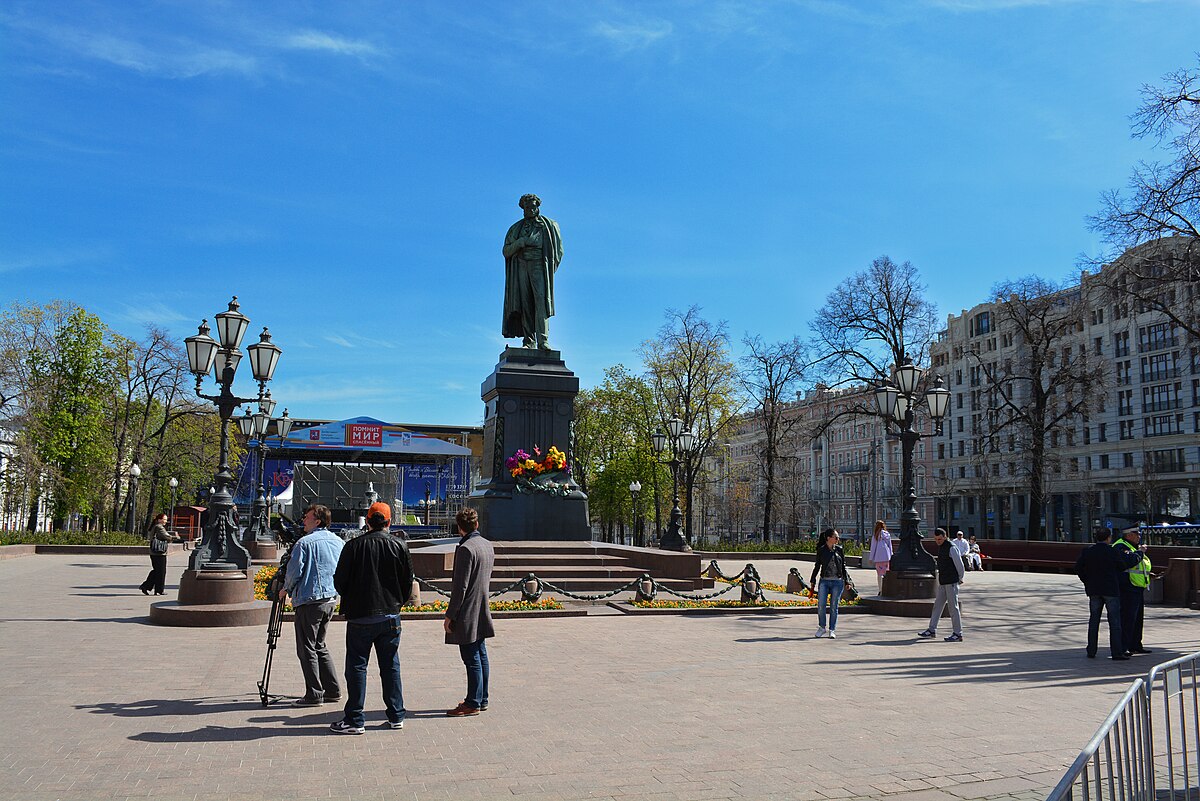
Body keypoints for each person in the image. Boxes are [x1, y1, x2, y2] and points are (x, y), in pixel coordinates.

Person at [330, 501, 413, 734]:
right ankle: (396, 715)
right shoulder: (399, 545)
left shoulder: (353, 546)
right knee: (390, 666)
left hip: (360, 616)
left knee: (357, 667)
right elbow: (408, 582)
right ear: (389, 522)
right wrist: (397, 602)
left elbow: (339, 582)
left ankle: (355, 719)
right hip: (390, 615)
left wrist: (353, 597)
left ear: (367, 521)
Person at [282, 504, 345, 706]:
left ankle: (314, 694)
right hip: (330, 599)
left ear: (318, 520)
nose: (303, 520)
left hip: (310, 600)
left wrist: (286, 589)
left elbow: (294, 572)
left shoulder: (305, 543)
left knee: (307, 648)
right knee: (320, 645)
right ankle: (333, 690)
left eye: (307, 517)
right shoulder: (338, 542)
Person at [443, 507, 496, 717]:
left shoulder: (466, 549)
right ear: (476, 525)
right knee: (481, 654)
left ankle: (473, 702)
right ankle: (482, 698)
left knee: (471, 657)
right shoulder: (486, 545)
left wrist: (450, 615)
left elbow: (460, 587)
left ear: (459, 528)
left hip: (467, 610)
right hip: (481, 606)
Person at [502, 193, 563, 350]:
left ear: (538, 207)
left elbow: (558, 252)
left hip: (539, 266)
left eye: (532, 207)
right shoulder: (516, 228)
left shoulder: (549, 225)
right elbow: (506, 251)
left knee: (541, 302)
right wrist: (520, 243)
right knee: (525, 303)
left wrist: (549, 269)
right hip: (521, 265)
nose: (529, 210)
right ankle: (529, 341)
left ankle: (543, 341)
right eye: (526, 207)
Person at [1074, 529, 1142, 660]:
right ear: (1108, 538)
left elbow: (1078, 568)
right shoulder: (1112, 551)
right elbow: (1122, 566)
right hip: (1111, 590)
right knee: (1115, 622)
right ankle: (1116, 652)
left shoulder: (1087, 551)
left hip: (1093, 590)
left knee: (1094, 621)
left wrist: (1087, 581)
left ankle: (1091, 650)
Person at [917, 528, 965, 642]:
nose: (938, 541)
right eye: (936, 539)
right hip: (944, 582)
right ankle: (931, 630)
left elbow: (960, 565)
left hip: (951, 582)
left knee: (953, 608)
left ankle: (958, 633)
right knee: (937, 606)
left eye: (939, 539)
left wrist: (960, 578)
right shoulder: (943, 547)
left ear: (945, 536)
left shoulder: (951, 547)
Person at [1112, 528, 1153, 657]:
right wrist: (1141, 553)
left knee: (1137, 619)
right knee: (1127, 619)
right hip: (1127, 588)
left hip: (1137, 586)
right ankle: (1124, 647)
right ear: (1129, 535)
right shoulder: (1120, 546)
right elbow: (1129, 562)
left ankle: (1135, 645)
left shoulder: (1132, 546)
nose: (1139, 536)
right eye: (1137, 534)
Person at [809, 529, 849, 639]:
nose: (838, 539)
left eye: (838, 537)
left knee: (834, 606)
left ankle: (832, 629)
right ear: (828, 538)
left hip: (837, 581)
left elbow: (843, 567)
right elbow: (817, 565)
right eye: (836, 537)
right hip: (825, 581)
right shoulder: (822, 550)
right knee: (821, 605)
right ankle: (822, 627)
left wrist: (847, 581)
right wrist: (813, 579)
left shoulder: (839, 549)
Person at [139, 513, 177, 595]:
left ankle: (147, 586)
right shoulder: (159, 527)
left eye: (166, 520)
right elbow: (166, 537)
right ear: (159, 519)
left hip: (154, 553)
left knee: (157, 571)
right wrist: (175, 537)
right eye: (164, 519)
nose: (166, 521)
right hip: (159, 553)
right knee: (161, 572)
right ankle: (158, 590)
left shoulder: (155, 526)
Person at [868, 520, 892, 594]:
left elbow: (873, 548)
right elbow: (890, 545)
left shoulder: (876, 535)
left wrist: (871, 558)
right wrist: (891, 555)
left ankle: (880, 590)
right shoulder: (887, 534)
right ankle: (887, 589)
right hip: (887, 557)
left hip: (878, 558)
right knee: (886, 573)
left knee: (879, 574)